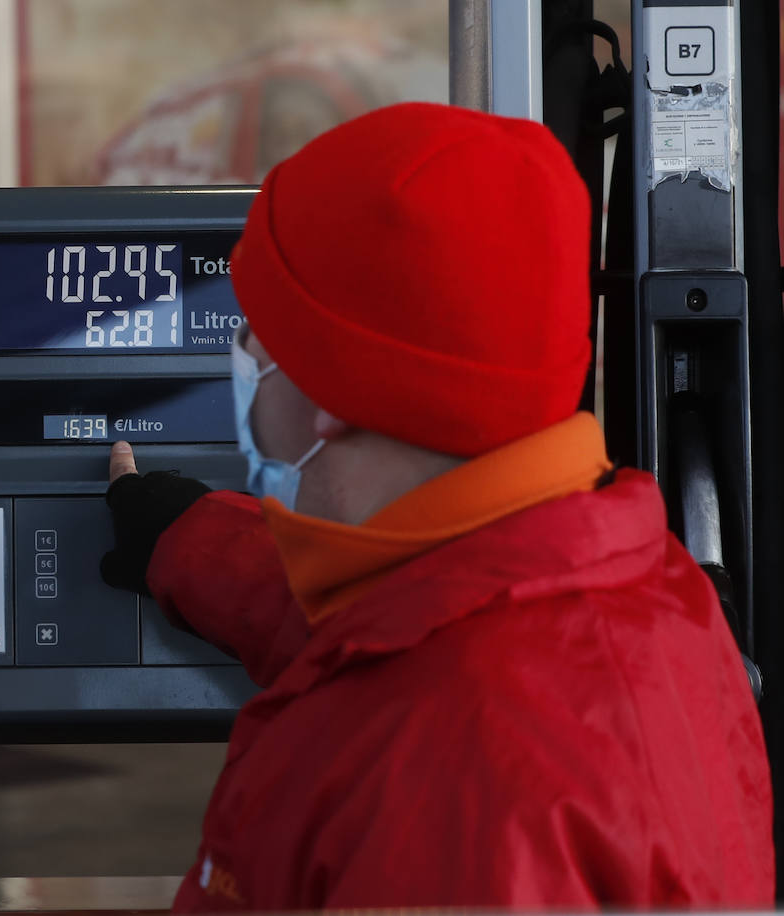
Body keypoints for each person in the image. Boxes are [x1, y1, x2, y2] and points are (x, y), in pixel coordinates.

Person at [100, 102, 773, 909]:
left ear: (331, 393)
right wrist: (191, 540)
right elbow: (415, 621)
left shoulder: (445, 789)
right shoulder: (638, 595)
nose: (241, 359)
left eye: (257, 335)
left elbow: (418, 698)